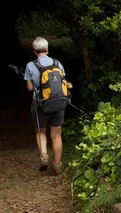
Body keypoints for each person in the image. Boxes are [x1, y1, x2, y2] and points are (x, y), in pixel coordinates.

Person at [24, 37, 72, 175]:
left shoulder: (30, 65)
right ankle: (57, 164)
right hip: (58, 102)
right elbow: (63, 81)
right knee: (56, 135)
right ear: (47, 49)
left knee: (41, 132)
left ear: (34, 51)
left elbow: (29, 88)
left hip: (40, 104)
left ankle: (44, 155)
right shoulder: (57, 63)